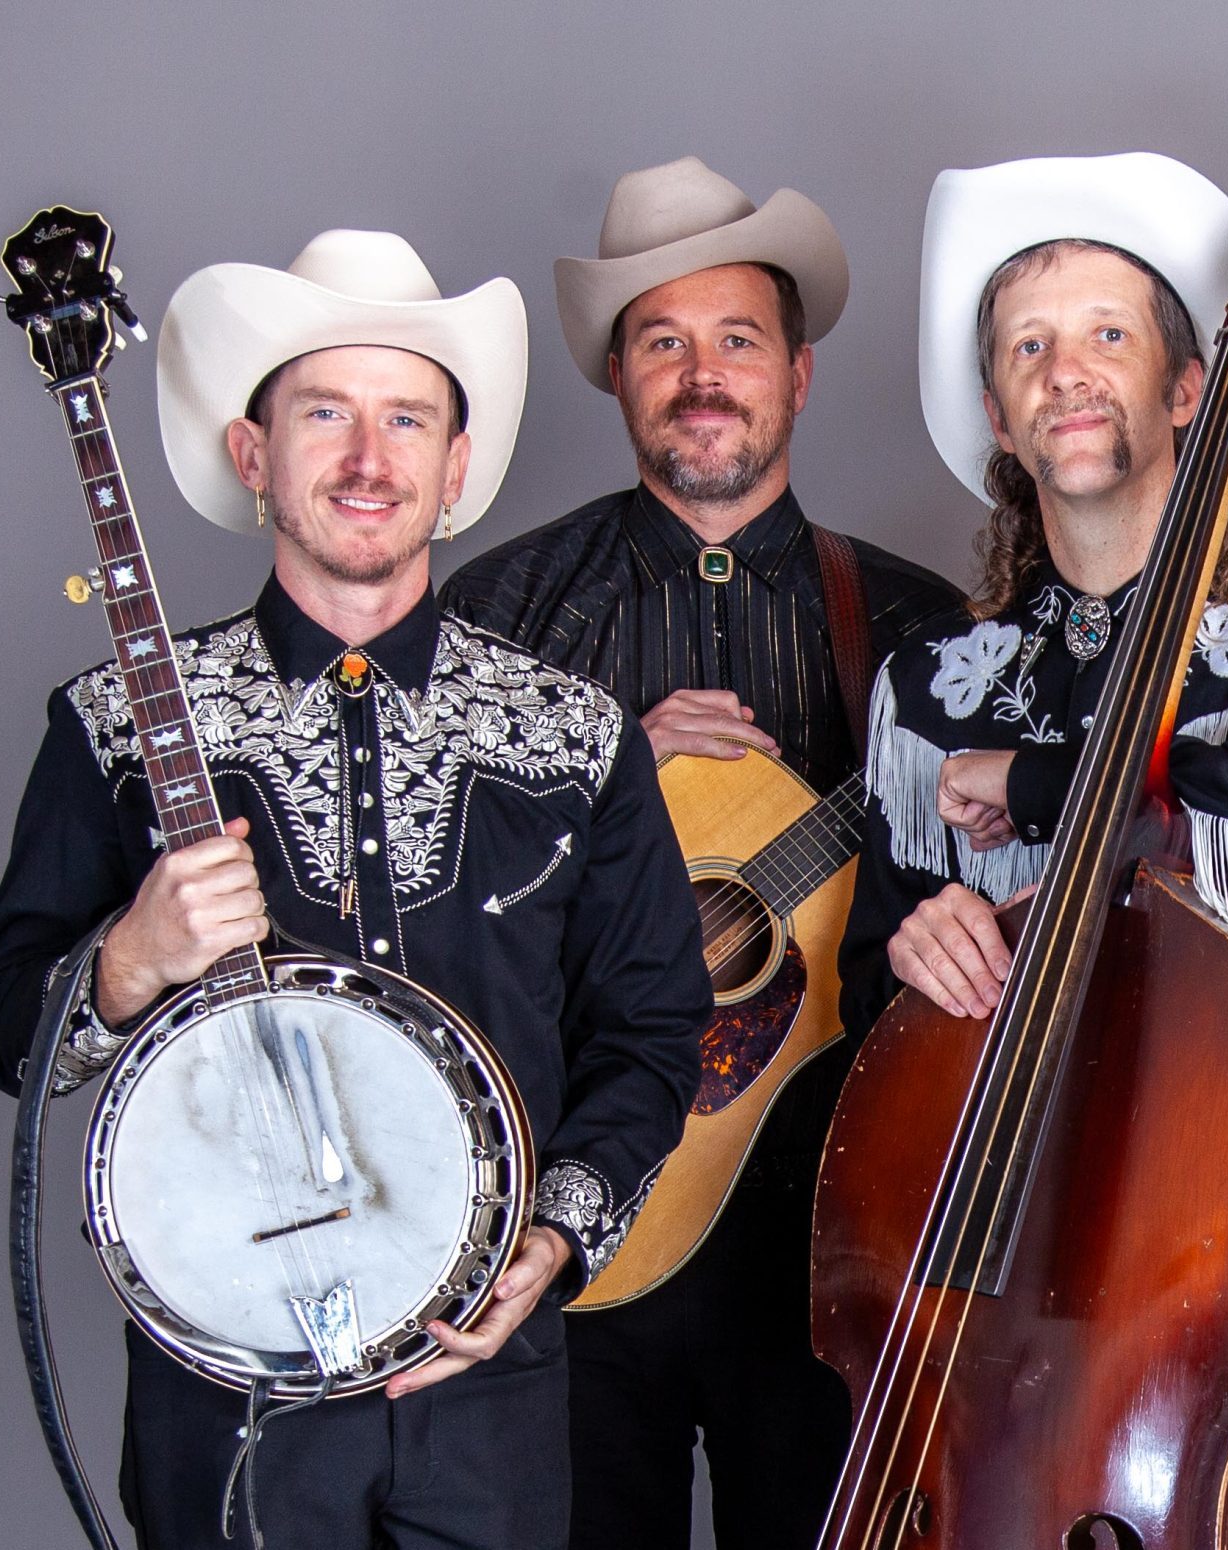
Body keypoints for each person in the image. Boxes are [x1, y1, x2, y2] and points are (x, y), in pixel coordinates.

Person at [0, 229, 712, 1550]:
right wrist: (130, 958)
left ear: (454, 469)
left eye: (408, 420)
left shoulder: (578, 736)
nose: (370, 460)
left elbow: (653, 1031)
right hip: (226, 1405)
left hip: (491, 1386)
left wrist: (549, 1245)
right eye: (326, 414)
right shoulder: (116, 724)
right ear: (255, 458)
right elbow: (7, 1036)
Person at [438, 158, 957, 1550]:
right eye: (662, 340)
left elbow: (1005, 880)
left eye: (736, 339)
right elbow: (428, 910)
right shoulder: (502, 614)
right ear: (619, 375)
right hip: (583, 1219)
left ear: (797, 372)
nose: (702, 373)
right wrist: (597, 771)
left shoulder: (923, 624)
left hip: (841, 1230)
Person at [840, 150, 1228, 1045]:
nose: (1064, 373)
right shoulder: (925, 681)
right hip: (989, 1155)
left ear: (1186, 391)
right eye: (1031, 345)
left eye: (1107, 336)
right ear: (999, 418)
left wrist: (1025, 783)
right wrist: (913, 954)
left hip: (1226, 1132)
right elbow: (865, 1005)